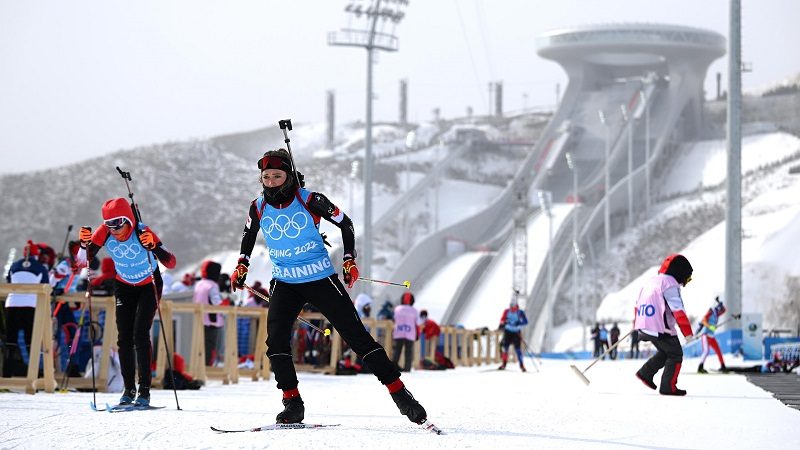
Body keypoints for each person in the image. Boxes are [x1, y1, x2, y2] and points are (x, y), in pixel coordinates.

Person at [230, 148, 428, 425]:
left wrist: (348, 260)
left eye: (277, 175)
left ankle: (401, 394)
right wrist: (242, 264)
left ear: (287, 176)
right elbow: (248, 235)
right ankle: (292, 403)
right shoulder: (258, 206)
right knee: (275, 342)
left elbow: (345, 224)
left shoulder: (309, 198)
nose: (272, 181)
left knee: (357, 337)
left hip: (320, 279)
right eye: (266, 177)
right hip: (285, 282)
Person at [75, 197, 177, 406]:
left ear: (128, 220)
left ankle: (145, 391)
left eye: (118, 223)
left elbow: (171, 262)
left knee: (140, 334)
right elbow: (80, 262)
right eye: (109, 224)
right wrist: (82, 245)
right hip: (124, 285)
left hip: (149, 284)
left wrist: (154, 247)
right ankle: (128, 389)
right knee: (124, 338)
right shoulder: (104, 232)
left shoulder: (141, 232)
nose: (114, 229)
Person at [633, 253, 694, 396]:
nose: (685, 283)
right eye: (688, 278)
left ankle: (645, 373)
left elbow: (637, 305)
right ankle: (668, 387)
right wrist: (688, 333)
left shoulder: (651, 281)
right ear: (680, 274)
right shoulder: (670, 284)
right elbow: (678, 311)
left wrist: (638, 323)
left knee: (666, 352)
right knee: (675, 354)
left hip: (644, 325)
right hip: (660, 328)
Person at [3, 240, 50, 377]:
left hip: (12, 305)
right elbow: (46, 286)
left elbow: (9, 281)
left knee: (11, 340)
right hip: (31, 305)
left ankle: (6, 373)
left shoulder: (14, 265)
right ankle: (34, 373)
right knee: (31, 340)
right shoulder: (41, 267)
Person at [193, 260, 223, 366]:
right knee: (210, 347)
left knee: (199, 345)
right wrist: (226, 301)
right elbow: (217, 302)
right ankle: (207, 368)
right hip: (211, 321)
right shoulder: (213, 285)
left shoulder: (199, 284)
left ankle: (198, 366)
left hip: (198, 320)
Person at [497, 293, 529, 372]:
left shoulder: (520, 312)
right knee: (505, 348)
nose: (511, 308)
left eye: (513, 306)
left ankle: (522, 365)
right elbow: (502, 320)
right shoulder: (507, 311)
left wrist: (519, 323)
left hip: (516, 332)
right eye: (510, 306)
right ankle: (504, 364)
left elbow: (526, 322)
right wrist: (503, 323)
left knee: (518, 349)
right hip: (508, 332)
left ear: (516, 306)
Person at [697, 297, 728, 373]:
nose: (720, 312)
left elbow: (724, 310)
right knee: (706, 351)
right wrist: (710, 326)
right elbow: (703, 320)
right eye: (719, 309)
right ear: (717, 308)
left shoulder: (717, 314)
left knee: (718, 351)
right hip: (705, 335)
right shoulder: (711, 311)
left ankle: (723, 366)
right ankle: (700, 367)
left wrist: (720, 302)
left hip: (711, 336)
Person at [391, 292, 418, 372]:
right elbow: (417, 322)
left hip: (398, 332)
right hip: (410, 333)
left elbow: (394, 319)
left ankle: (394, 367)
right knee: (408, 352)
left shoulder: (397, 309)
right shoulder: (414, 310)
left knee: (397, 351)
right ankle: (407, 368)